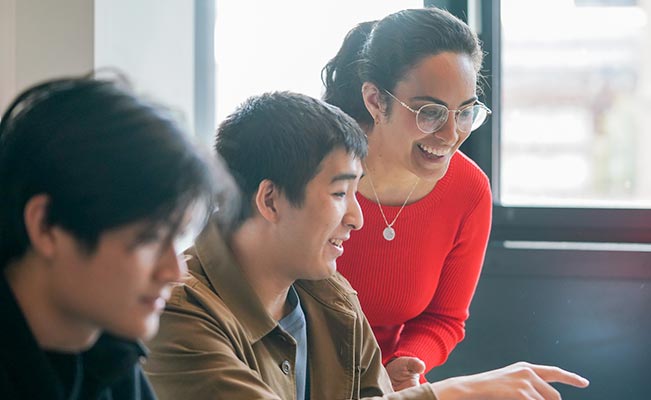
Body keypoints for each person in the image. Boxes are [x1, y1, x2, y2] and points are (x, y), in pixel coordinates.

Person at [144, 91, 589, 399]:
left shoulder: (333, 298)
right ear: (270, 199)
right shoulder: (176, 311)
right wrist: (453, 393)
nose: (357, 218)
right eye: (340, 194)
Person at [0, 76, 218, 399]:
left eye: (177, 238)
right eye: (150, 238)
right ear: (46, 226)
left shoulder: (111, 355)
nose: (175, 272)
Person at [322, 8, 494, 388]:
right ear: (374, 100)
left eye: (465, 112)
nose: (450, 135)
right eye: (429, 112)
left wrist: (406, 362)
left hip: (383, 386)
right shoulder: (312, 169)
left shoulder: (469, 191)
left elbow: (443, 319)